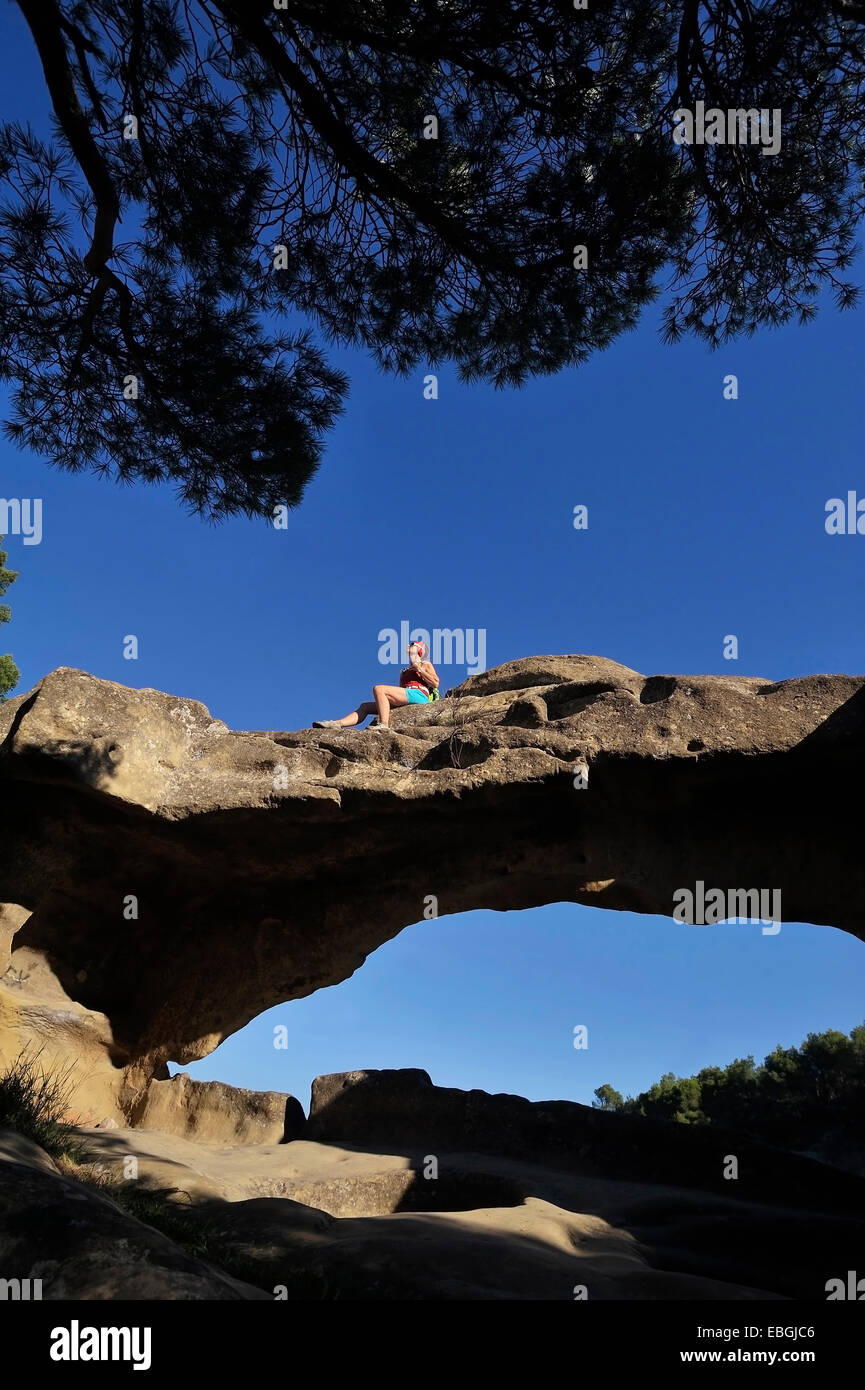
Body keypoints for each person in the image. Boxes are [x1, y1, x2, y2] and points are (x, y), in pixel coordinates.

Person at [313, 640, 440, 730]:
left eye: (411, 644)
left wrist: (420, 669)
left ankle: (383, 724)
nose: (408, 646)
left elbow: (435, 682)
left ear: (418, 649)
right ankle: (337, 724)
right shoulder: (405, 671)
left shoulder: (425, 664)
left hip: (418, 695)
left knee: (379, 689)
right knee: (365, 706)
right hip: (407, 696)